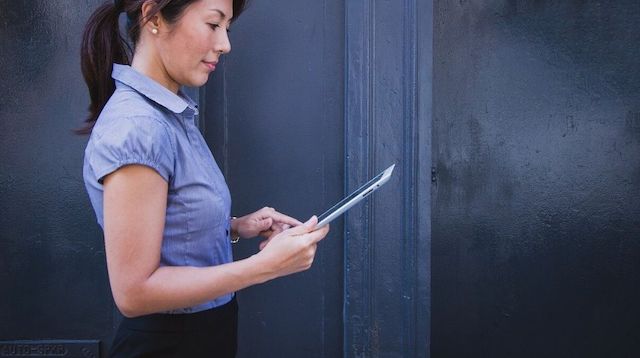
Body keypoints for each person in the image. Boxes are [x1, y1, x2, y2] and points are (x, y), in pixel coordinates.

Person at [79, 0, 330, 356]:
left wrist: (232, 226)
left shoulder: (169, 113)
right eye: (214, 24)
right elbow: (134, 292)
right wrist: (263, 266)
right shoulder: (139, 127)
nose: (225, 43)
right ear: (153, 17)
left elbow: (164, 223)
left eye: (226, 28)